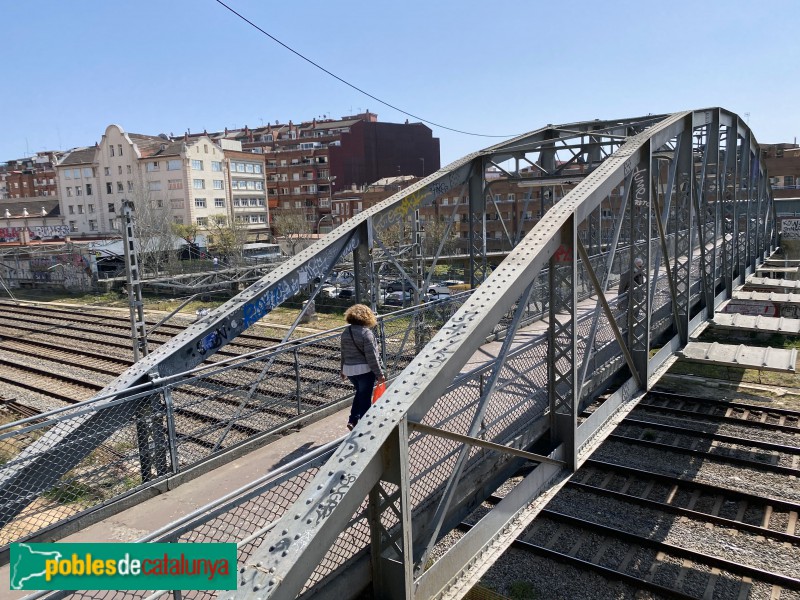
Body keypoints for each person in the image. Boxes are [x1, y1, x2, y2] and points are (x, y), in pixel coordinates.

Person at [340, 304, 385, 430]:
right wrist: (380, 374)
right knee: (365, 398)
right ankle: (366, 426)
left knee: (360, 393)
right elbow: (372, 357)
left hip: (350, 370)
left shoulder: (346, 332)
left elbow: (344, 352)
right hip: (364, 370)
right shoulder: (366, 334)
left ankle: (353, 420)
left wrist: (342, 369)